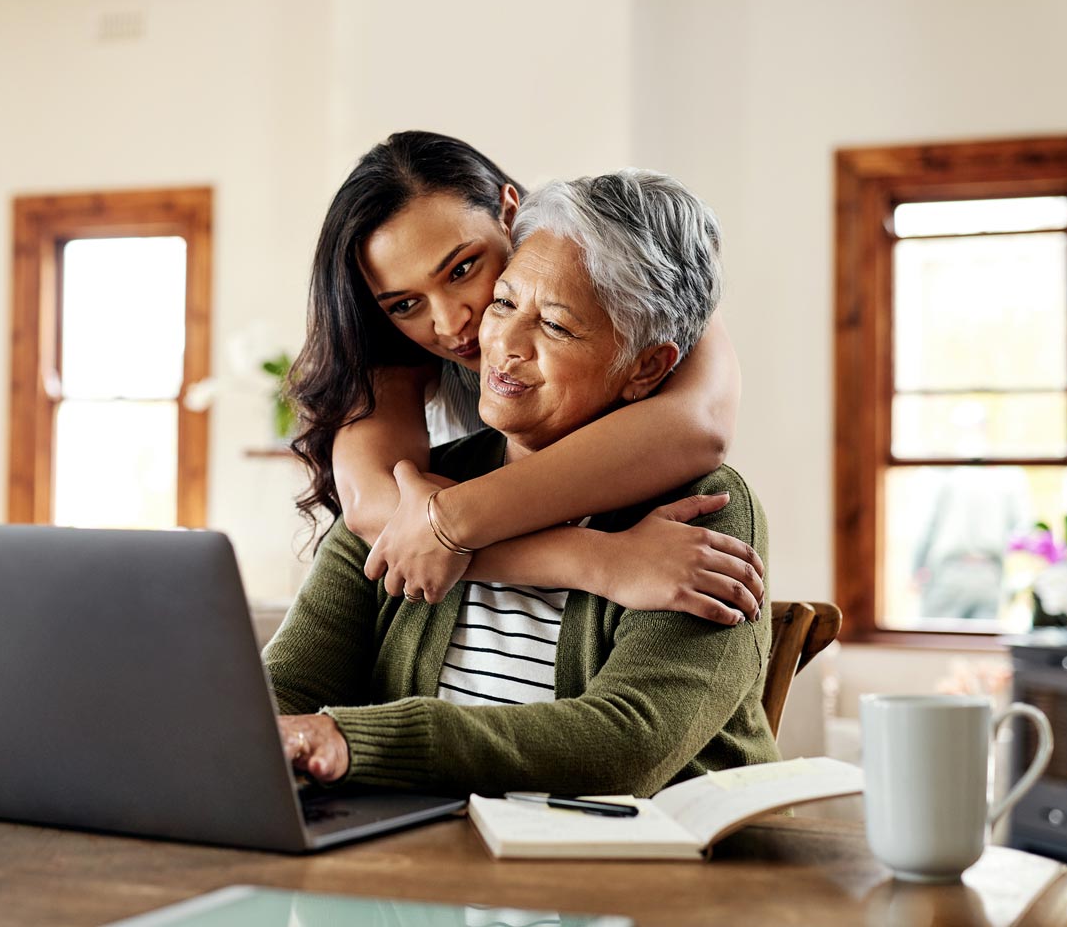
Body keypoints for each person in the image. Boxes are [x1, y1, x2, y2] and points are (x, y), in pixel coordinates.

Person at [265, 171, 779, 797]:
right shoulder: (416, 494)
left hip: (647, 878)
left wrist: (356, 740)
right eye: (504, 303)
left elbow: (624, 747)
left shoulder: (708, 509)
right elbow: (282, 690)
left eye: (557, 327)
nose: (498, 343)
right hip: (433, 873)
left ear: (646, 368)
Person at [288, 132, 762, 624]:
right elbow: (376, 511)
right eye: (406, 304)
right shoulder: (392, 352)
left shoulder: (629, 268)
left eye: (462, 269)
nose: (451, 324)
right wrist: (596, 560)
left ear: (509, 213)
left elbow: (697, 427)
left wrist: (451, 522)